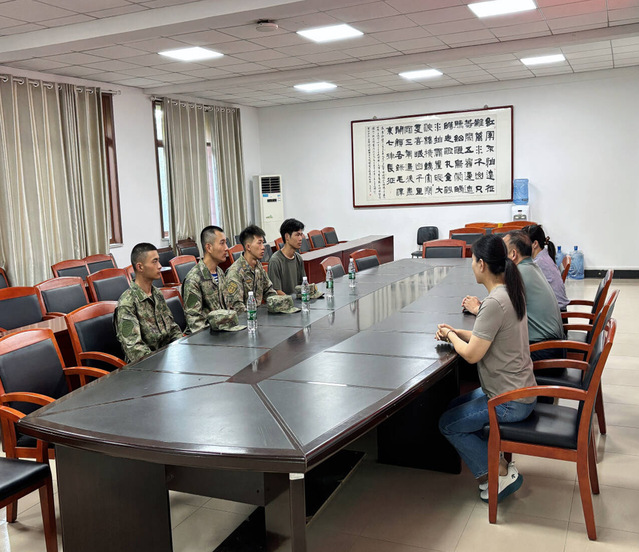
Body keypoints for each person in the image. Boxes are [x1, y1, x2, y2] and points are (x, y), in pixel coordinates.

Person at [437, 234, 536, 503]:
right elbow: (487, 337)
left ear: (481, 264)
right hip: (518, 389)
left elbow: (471, 355)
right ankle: (496, 459)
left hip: (509, 400)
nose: (471, 265)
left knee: (448, 424)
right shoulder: (509, 291)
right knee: (452, 406)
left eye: (472, 260)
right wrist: (457, 332)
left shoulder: (494, 302)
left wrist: (450, 336)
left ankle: (497, 473)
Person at [462, 231, 564, 361]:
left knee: (481, 350)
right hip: (553, 345)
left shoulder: (518, 275)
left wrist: (476, 309)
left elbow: (498, 310)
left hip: (543, 350)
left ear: (513, 254)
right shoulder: (532, 267)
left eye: (503, 251)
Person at [115, 243, 183, 363]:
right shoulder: (127, 303)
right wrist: (163, 362)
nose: (160, 266)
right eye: (154, 262)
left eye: (158, 261)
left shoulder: (157, 294)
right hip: (146, 366)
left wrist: (182, 349)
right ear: (140, 267)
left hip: (168, 357)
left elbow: (173, 329)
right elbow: (135, 349)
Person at [226, 224, 285, 312]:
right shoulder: (235, 272)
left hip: (259, 315)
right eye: (259, 243)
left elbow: (269, 291)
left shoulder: (258, 266)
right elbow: (237, 308)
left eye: (263, 243)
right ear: (248, 247)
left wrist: (278, 304)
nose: (263, 247)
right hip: (246, 318)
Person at [182, 225, 230, 333]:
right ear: (209, 248)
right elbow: (195, 324)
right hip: (206, 336)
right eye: (222, 243)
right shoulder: (194, 279)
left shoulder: (220, 272)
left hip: (223, 331)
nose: (227, 248)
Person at [523, 224, 569, 311]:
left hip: (556, 313)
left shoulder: (539, 262)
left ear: (535, 244)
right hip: (556, 310)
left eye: (523, 244)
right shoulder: (544, 255)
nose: (521, 247)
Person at [268, 218, 307, 295]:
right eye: (297, 235)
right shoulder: (275, 261)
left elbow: (303, 284)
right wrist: (291, 300)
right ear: (287, 237)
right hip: (285, 301)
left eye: (301, 235)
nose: (300, 239)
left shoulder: (298, 258)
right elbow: (277, 292)